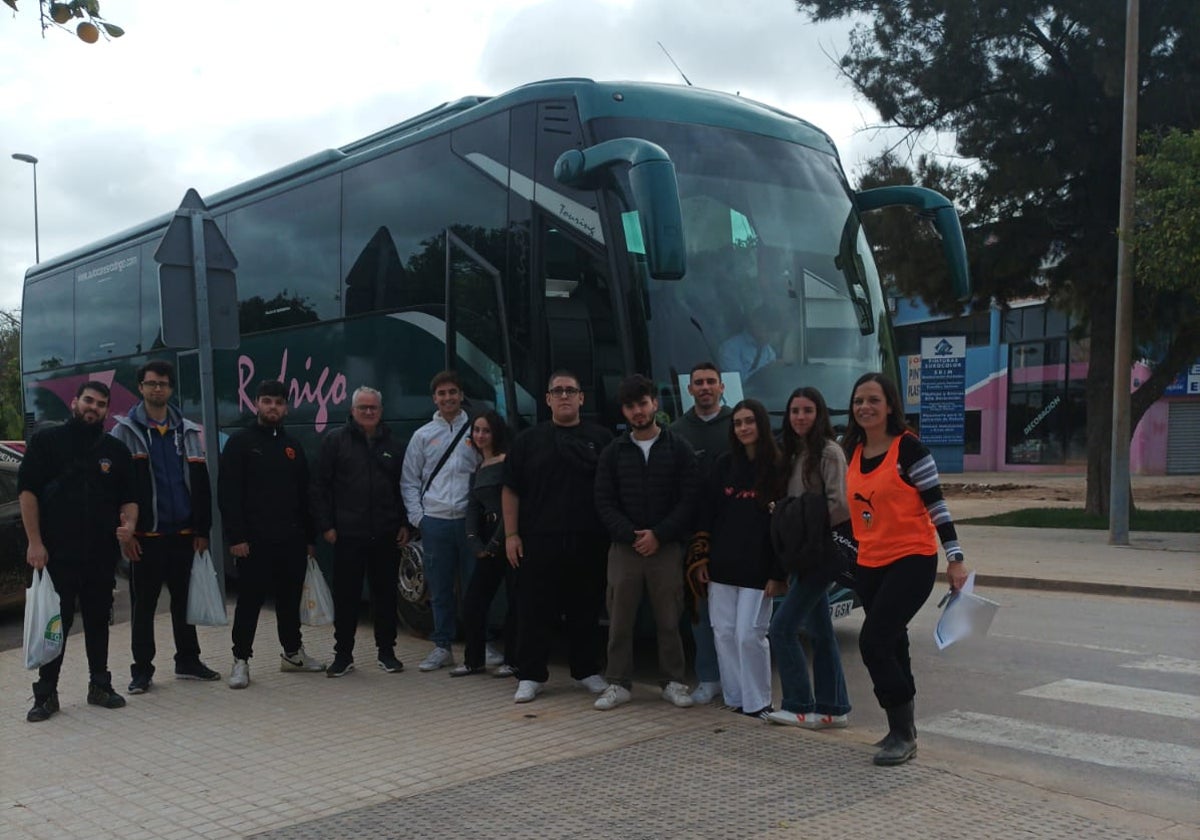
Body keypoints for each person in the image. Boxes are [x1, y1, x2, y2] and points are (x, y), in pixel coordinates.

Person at [842, 373, 970, 766]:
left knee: (873, 642)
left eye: (873, 400)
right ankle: (902, 728)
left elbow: (937, 505)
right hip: (869, 563)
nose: (865, 407)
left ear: (890, 405)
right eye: (858, 400)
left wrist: (955, 556)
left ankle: (902, 731)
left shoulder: (910, 449)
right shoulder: (852, 449)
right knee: (894, 643)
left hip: (911, 560)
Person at [19, 381, 137, 721]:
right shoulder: (46, 442)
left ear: (106, 411)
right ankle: (45, 695)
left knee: (99, 621)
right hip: (56, 553)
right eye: (88, 400)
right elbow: (28, 493)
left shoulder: (115, 451)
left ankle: (100, 685)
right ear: (74, 402)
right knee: (55, 624)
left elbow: (129, 498)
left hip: (100, 554)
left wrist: (129, 526)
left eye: (101, 404)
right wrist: (35, 542)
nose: (93, 408)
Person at [110, 360, 220, 693]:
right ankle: (142, 670)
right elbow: (115, 489)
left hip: (184, 535)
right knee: (144, 608)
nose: (158, 389)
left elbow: (201, 484)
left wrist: (202, 530)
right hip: (145, 538)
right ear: (140, 387)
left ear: (171, 388)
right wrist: (125, 534)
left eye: (164, 383)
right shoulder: (124, 432)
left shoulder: (187, 429)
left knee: (183, 603)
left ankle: (188, 660)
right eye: (151, 383)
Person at [502, 370, 612, 704]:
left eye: (570, 390)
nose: (564, 396)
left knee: (586, 609)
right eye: (557, 391)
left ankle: (587, 671)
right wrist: (511, 535)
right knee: (533, 611)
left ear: (581, 398)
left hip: (589, 540)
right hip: (538, 540)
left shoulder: (602, 439)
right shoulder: (527, 441)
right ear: (547, 399)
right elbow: (510, 490)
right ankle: (531, 675)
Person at [593, 375, 698, 711]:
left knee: (669, 618)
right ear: (624, 411)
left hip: (665, 548)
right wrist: (631, 535)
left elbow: (689, 499)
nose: (638, 411)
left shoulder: (678, 447)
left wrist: (660, 535)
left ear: (655, 403)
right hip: (624, 549)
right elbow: (604, 501)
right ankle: (618, 683)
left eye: (643, 403)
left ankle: (673, 681)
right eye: (630, 406)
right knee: (620, 619)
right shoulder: (613, 452)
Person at [219, 380, 326, 689]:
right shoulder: (240, 443)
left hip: (291, 541)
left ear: (286, 407)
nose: (273, 407)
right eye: (267, 401)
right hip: (252, 542)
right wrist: (236, 537)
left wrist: (309, 539)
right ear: (256, 405)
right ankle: (240, 660)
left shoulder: (292, 445)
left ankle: (292, 654)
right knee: (249, 601)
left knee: (289, 601)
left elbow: (304, 495)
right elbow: (228, 494)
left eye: (278, 403)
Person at [766, 386, 852, 729]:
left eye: (808, 410)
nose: (800, 417)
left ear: (820, 415)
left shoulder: (829, 452)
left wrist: (802, 527)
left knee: (782, 628)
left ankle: (799, 704)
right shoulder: (792, 453)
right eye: (795, 411)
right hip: (802, 555)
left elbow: (840, 505)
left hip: (820, 555)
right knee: (820, 632)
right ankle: (833, 708)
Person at [312, 386, 408, 678]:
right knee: (347, 597)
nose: (368, 412)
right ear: (352, 411)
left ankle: (387, 653)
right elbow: (319, 487)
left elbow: (403, 487)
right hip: (347, 535)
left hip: (385, 533)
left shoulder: (393, 443)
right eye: (363, 407)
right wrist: (326, 526)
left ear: (381, 411)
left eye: (374, 408)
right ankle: (343, 655)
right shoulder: (334, 441)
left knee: (386, 596)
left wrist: (404, 523)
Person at [701, 398, 787, 719]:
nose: (743, 428)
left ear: (761, 424)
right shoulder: (723, 465)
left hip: (759, 571)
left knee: (749, 635)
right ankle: (736, 698)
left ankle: (758, 702)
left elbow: (782, 526)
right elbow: (707, 515)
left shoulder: (778, 466)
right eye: (737, 423)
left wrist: (778, 573)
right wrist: (701, 561)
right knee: (723, 633)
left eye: (749, 421)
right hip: (722, 568)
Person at [401, 370, 481, 672]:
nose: (448, 398)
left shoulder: (477, 431)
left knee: (475, 588)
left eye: (453, 392)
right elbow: (409, 482)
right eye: (442, 393)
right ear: (434, 398)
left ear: (461, 395)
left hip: (469, 522)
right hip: (435, 522)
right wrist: (419, 519)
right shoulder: (422, 436)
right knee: (440, 588)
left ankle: (480, 644)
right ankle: (442, 646)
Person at [669, 361, 731, 705]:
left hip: (735, 533)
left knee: (735, 617)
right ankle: (708, 678)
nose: (705, 387)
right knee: (700, 611)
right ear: (689, 390)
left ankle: (735, 678)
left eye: (711, 381)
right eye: (698, 383)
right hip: (693, 537)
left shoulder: (738, 425)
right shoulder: (678, 431)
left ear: (722, 387)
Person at [449, 410, 516, 677]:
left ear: (496, 433)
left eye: (486, 430)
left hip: (509, 537)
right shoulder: (479, 467)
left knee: (516, 601)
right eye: (476, 430)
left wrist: (497, 542)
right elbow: (473, 508)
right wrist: (475, 543)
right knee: (473, 602)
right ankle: (473, 660)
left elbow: (509, 506)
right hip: (486, 540)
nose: (480, 435)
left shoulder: (507, 462)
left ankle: (514, 660)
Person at [717, 305, 779, 381]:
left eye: (775, 329)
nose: (771, 334)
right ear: (756, 322)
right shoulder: (730, 348)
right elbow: (736, 383)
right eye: (769, 328)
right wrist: (764, 372)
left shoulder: (770, 353)